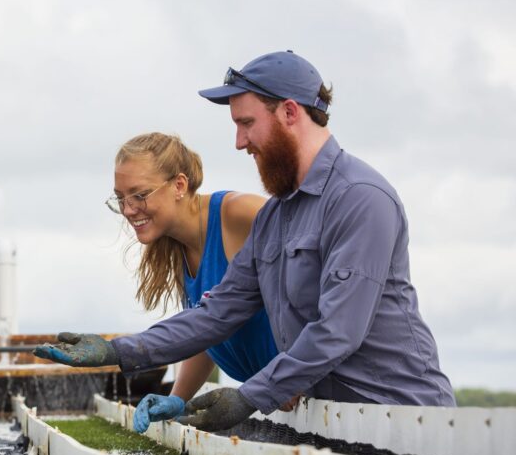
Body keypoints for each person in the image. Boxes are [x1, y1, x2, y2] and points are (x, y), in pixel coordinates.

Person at [35, 51, 455, 431]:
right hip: (331, 425)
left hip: (406, 423)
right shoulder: (275, 216)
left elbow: (338, 331)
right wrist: (117, 352)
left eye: (246, 123)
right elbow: (216, 313)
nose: (239, 142)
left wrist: (249, 397)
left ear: (289, 112)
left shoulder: (360, 198)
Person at [107, 133, 277, 434]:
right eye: (121, 198)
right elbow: (206, 332)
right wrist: (177, 399)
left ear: (179, 185)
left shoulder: (240, 214)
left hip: (322, 396)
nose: (128, 210)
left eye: (140, 195)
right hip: (275, 400)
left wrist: (288, 375)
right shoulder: (174, 245)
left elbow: (320, 282)